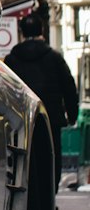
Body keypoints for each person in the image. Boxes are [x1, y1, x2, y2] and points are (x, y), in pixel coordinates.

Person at [5, 12, 80, 192]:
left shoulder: (11, 60)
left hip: (20, 120)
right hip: (50, 118)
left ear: (21, 32)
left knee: (25, 159)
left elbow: (6, 90)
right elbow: (69, 87)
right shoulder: (54, 58)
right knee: (51, 158)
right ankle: (49, 197)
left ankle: (27, 199)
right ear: (42, 31)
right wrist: (72, 115)